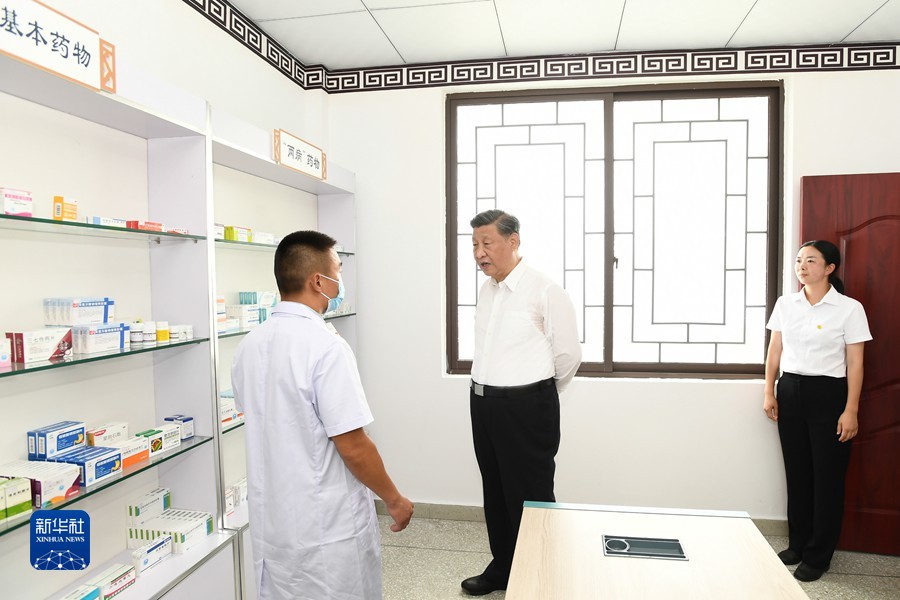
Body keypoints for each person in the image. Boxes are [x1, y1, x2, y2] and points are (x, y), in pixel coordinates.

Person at [232, 230, 414, 600]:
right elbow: (353, 445)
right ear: (318, 281)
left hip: (274, 519)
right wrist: (394, 499)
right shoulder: (327, 347)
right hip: (325, 524)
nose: (340, 281)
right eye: (338, 271)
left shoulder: (250, 344)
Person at [462, 209, 582, 596]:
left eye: (487, 243)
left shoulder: (545, 290)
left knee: (531, 495)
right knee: (495, 490)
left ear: (513, 241)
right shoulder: (487, 290)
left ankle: (541, 574)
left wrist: (536, 393)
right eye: (474, 244)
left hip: (527, 407)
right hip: (484, 405)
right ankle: (503, 567)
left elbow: (568, 356)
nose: (479, 252)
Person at [763, 240, 871, 582]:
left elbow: (855, 363)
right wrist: (769, 392)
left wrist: (850, 409)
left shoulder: (849, 309)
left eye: (811, 261)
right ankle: (797, 544)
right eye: (799, 260)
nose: (802, 266)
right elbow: (775, 350)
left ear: (829, 268)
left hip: (829, 394)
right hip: (790, 390)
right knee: (797, 473)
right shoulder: (786, 304)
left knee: (827, 478)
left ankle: (818, 554)